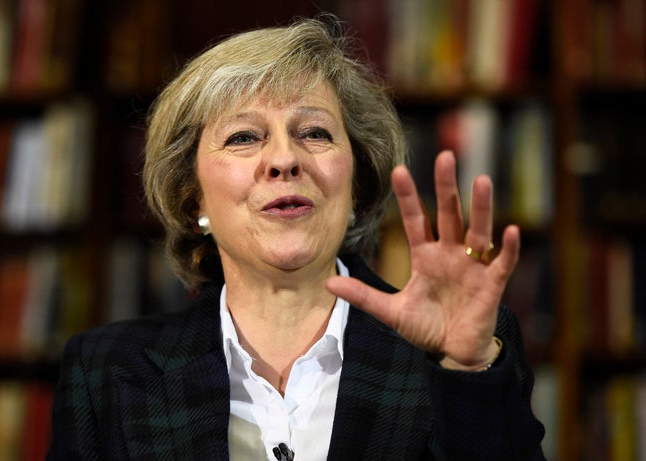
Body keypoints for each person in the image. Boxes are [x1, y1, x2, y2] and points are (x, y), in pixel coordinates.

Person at [48, 14, 546, 461]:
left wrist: (465, 371)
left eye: (315, 133)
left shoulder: (458, 350)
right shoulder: (107, 373)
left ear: (356, 186)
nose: (285, 160)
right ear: (192, 198)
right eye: (244, 137)